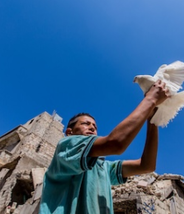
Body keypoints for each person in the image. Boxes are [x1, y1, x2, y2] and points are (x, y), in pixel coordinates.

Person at [39, 80, 170, 214]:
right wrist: (151, 99)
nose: (92, 127)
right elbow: (115, 143)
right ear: (69, 132)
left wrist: (152, 119)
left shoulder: (103, 168)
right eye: (86, 123)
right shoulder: (66, 146)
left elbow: (146, 166)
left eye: (95, 126)